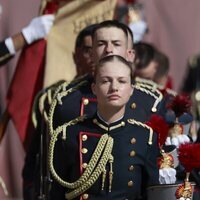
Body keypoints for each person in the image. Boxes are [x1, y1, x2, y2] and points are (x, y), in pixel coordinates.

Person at [49, 55, 159, 199]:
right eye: (106, 81)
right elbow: (56, 194)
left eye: (122, 81)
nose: (114, 87)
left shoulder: (145, 137)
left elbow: (151, 192)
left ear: (131, 89)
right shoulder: (68, 134)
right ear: (94, 88)